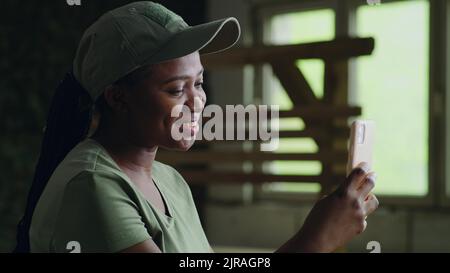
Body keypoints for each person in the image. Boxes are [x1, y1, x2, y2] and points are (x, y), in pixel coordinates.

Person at [14, 1, 378, 253]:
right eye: (175, 89)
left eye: (199, 83)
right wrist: (316, 239)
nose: (197, 102)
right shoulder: (92, 185)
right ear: (117, 98)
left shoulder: (169, 182)